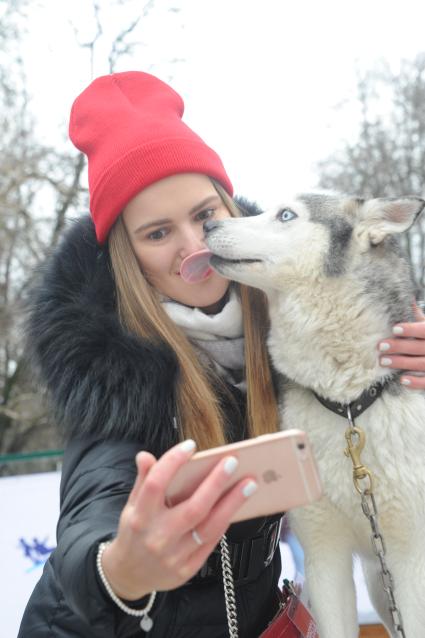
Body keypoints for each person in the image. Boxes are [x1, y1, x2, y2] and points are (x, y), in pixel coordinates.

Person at [18, 71, 425, 638]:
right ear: (127, 258)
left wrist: (403, 351)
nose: (196, 245)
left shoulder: (282, 331)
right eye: (158, 233)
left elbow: (354, 351)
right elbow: (98, 496)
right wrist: (119, 567)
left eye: (207, 216)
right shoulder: (118, 372)